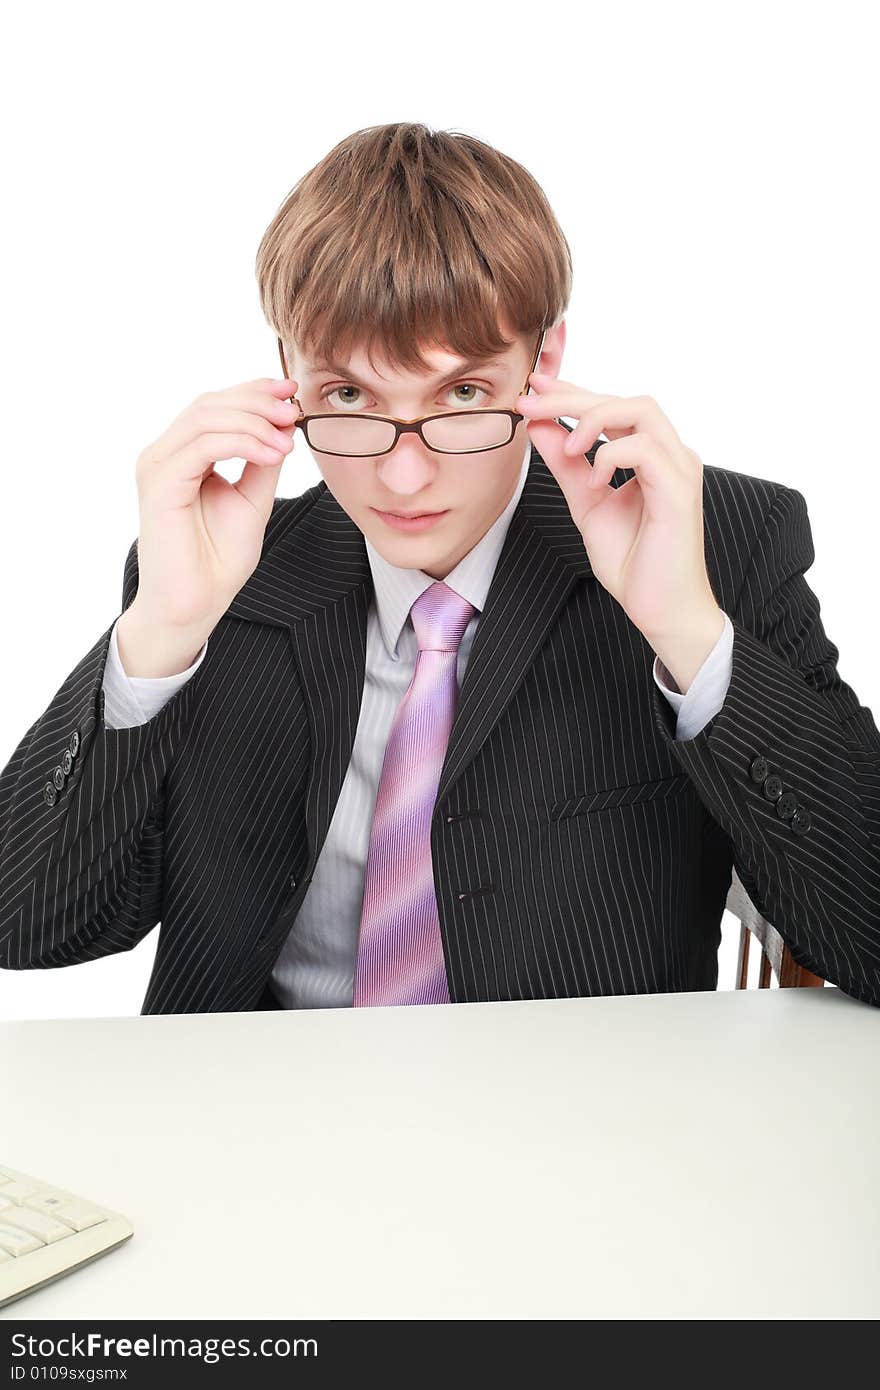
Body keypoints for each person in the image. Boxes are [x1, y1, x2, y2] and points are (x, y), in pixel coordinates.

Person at [2, 122, 878, 1014]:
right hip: (253, 1125)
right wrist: (159, 639)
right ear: (285, 376)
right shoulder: (222, 564)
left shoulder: (714, 539)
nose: (405, 475)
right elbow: (29, 927)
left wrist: (690, 634)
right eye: (348, 397)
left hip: (589, 1131)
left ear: (547, 364)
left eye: (462, 394)